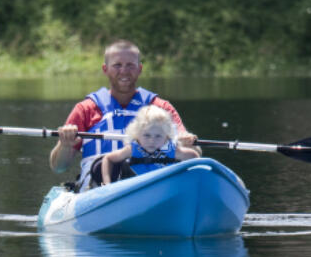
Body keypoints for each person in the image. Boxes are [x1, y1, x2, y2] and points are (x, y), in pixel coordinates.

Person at [49, 40, 199, 191]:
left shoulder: (161, 108)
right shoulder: (86, 109)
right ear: (105, 69)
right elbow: (59, 167)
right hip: (98, 188)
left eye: (130, 65)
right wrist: (65, 144)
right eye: (117, 65)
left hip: (154, 184)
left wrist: (187, 141)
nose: (124, 71)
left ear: (139, 69)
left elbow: (194, 153)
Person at [98, 105, 201, 186]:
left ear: (166, 137)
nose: (152, 141)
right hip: (136, 188)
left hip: (165, 186)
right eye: (147, 135)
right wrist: (106, 184)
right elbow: (108, 159)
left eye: (158, 136)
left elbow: (194, 156)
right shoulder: (131, 149)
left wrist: (195, 178)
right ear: (137, 134)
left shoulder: (173, 150)